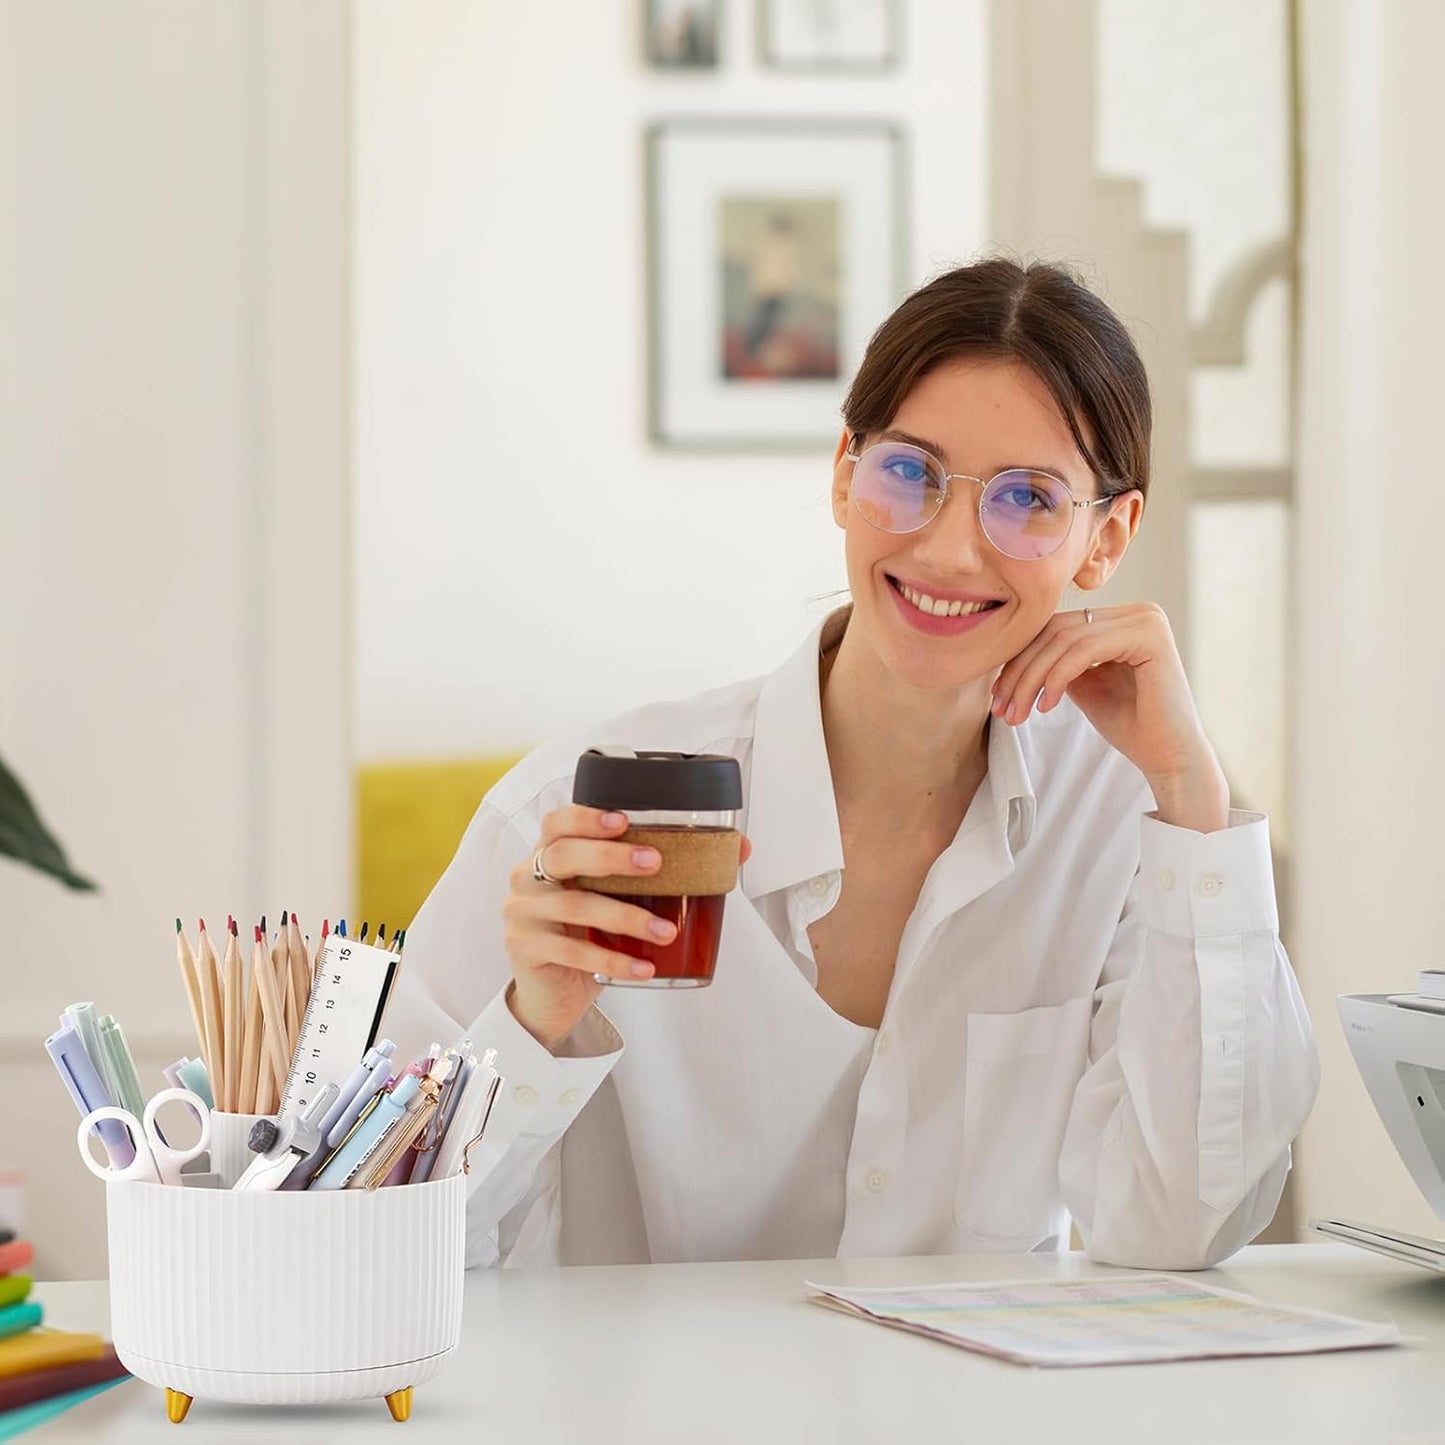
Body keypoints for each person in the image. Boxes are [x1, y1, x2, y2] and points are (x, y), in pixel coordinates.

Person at [387, 257, 1319, 1271]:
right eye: (910, 474)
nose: (951, 551)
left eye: (1028, 498)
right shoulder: (564, 823)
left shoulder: (1121, 819)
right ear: (843, 473)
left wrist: (1191, 795)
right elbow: (380, 1242)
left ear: (1106, 537)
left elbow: (1183, 1223)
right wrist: (531, 1025)